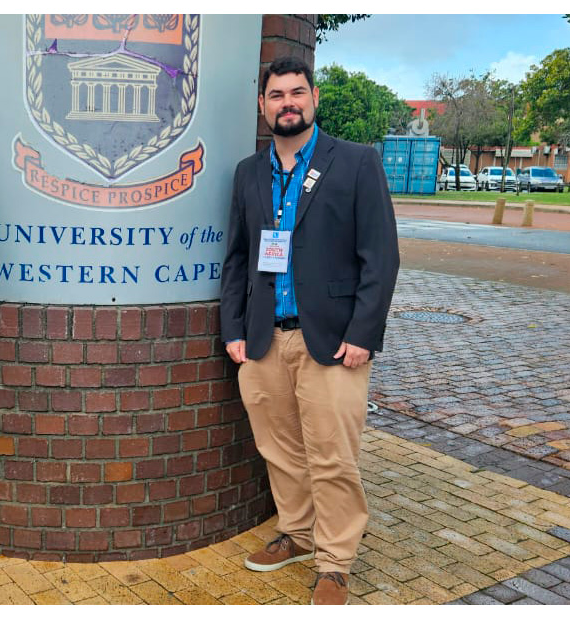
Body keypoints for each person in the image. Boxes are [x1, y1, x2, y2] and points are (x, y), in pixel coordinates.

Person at [220, 56, 399, 606]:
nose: (287, 103)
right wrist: (234, 331)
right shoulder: (249, 173)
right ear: (263, 106)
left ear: (314, 99)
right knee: (280, 450)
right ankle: (296, 534)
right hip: (262, 340)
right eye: (277, 95)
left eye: (297, 92)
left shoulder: (356, 163)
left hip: (334, 342)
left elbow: (381, 257)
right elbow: (237, 259)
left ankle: (336, 561)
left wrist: (363, 334)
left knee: (332, 456)